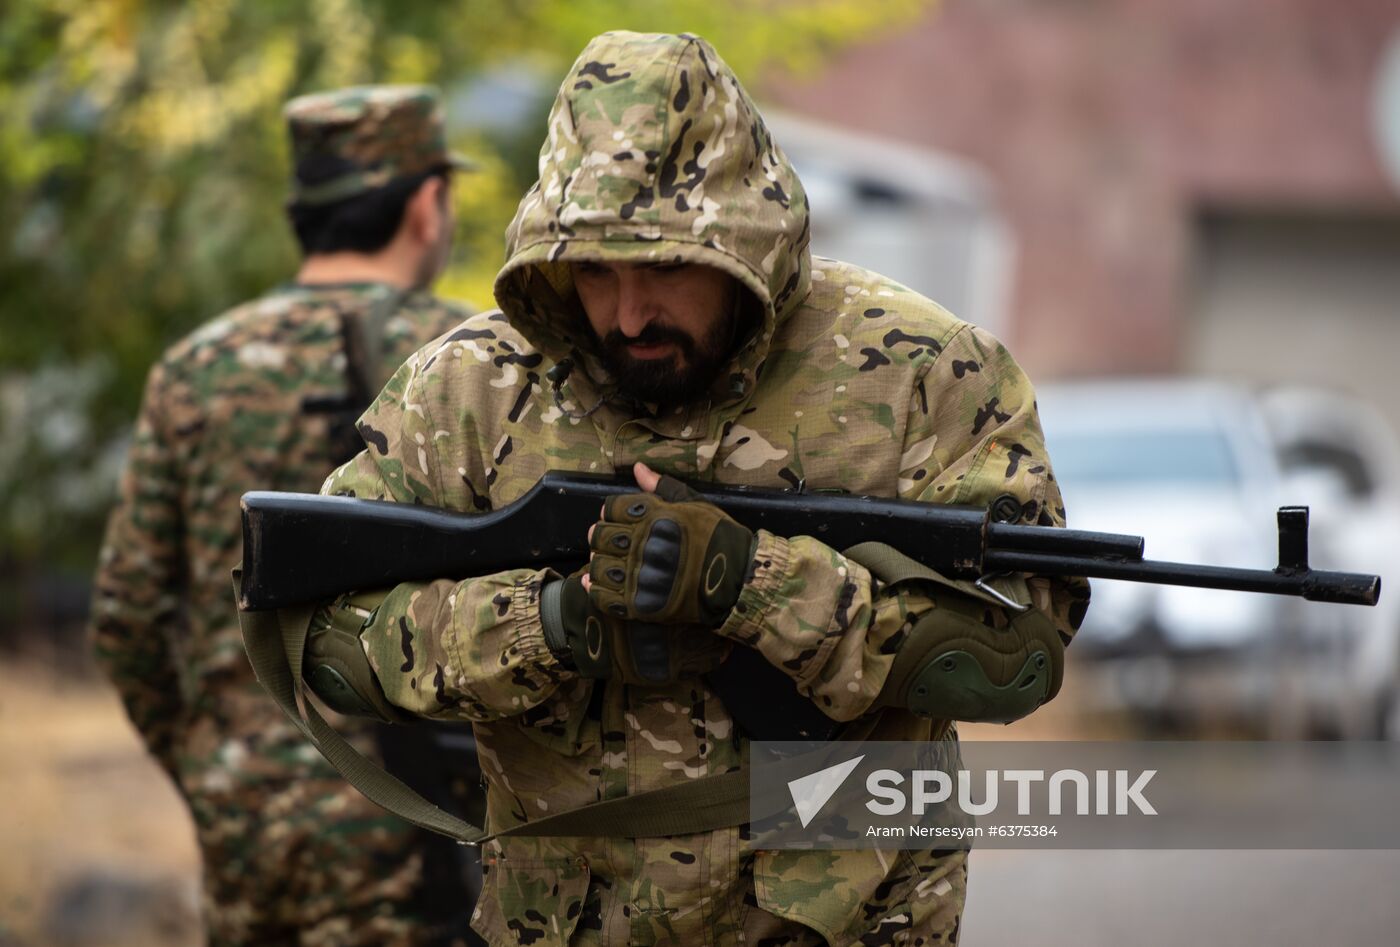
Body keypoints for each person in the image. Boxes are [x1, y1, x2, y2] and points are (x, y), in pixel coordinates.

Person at [298, 33, 1088, 945]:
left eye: (668, 267)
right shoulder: (469, 391)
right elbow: (328, 640)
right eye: (595, 272)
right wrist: (551, 624)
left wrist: (752, 584)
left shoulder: (925, 374)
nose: (630, 314)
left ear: (751, 242)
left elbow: (1017, 659)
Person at [90, 85, 480, 947]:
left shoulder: (196, 367)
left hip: (250, 828)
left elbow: (126, 618)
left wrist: (214, 763)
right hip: (429, 827)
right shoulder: (477, 360)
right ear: (427, 205)